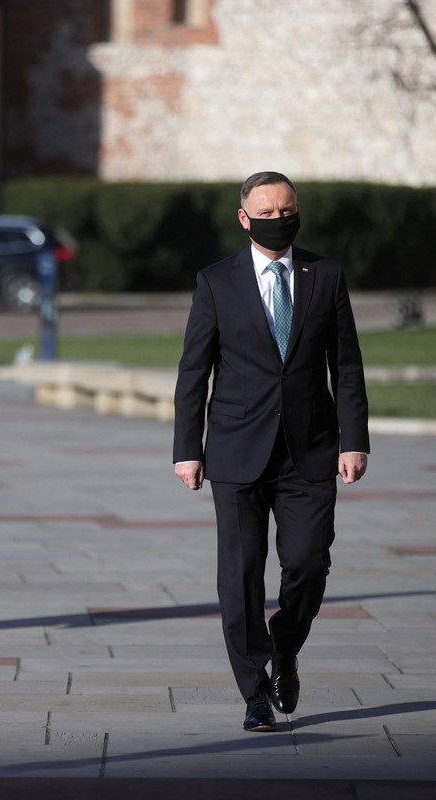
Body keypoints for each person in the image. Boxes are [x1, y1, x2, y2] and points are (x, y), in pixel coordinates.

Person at [173, 171, 369, 732]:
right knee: (239, 577)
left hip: (310, 450)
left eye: (288, 211)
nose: (278, 219)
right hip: (236, 450)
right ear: (244, 218)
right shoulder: (216, 282)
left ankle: (285, 645)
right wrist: (188, 447)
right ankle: (255, 692)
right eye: (266, 211)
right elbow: (195, 369)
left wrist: (353, 439)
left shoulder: (325, 275)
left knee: (308, 563)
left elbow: (346, 365)